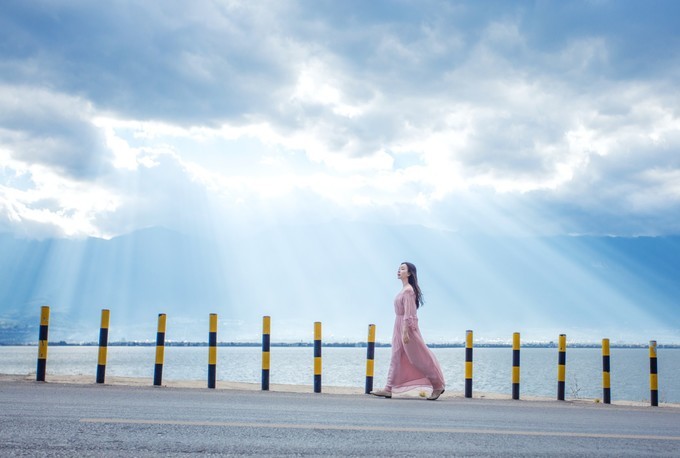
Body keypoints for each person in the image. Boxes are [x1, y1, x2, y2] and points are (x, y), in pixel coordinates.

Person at [371, 262, 446, 400]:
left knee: (418, 357)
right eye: (399, 268)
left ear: (409, 273)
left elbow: (409, 313)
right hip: (398, 325)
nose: (399, 270)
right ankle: (388, 388)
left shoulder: (408, 291)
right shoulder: (404, 289)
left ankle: (437, 385)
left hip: (407, 327)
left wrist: (405, 331)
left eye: (403, 269)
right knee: (396, 356)